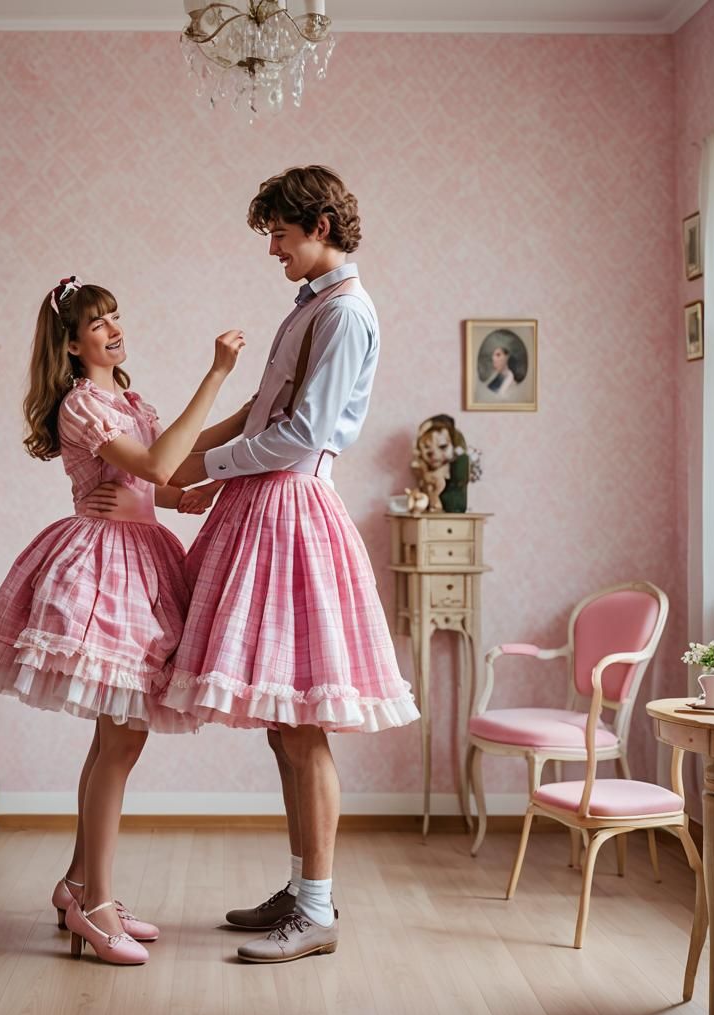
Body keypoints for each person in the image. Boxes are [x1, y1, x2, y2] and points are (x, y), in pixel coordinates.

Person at [167, 166, 420, 963]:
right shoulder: (307, 308)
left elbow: (303, 435)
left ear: (317, 224)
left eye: (278, 232)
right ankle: (303, 888)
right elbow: (261, 411)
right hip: (263, 508)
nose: (271, 248)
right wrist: (186, 458)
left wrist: (212, 469)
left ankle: (317, 910)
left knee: (303, 724)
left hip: (292, 513)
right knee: (283, 726)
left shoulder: (346, 313)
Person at [0, 276, 244, 966]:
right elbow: (150, 460)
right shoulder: (84, 403)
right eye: (98, 324)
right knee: (119, 743)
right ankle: (93, 908)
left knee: (115, 743)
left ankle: (77, 885)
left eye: (117, 316)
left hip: (142, 558)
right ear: (71, 342)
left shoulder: (125, 396)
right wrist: (216, 373)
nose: (114, 329)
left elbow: (168, 460)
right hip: (107, 570)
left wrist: (243, 418)